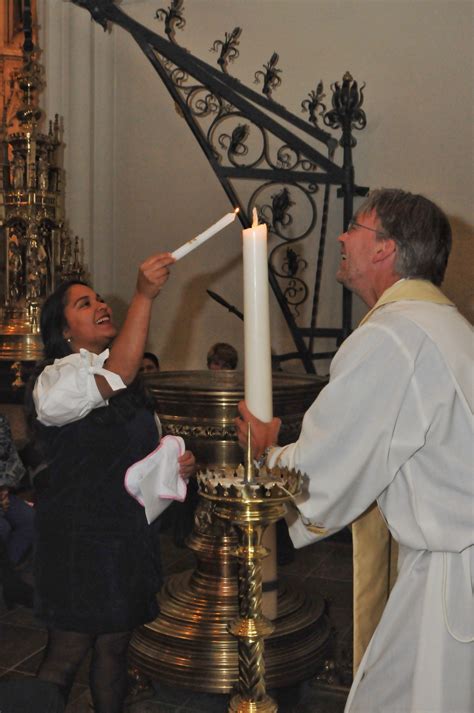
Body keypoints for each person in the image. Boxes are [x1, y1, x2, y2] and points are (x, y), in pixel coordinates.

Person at [235, 189, 473, 713]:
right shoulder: (450, 329)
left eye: (355, 229)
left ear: (386, 248)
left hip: (452, 581)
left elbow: (323, 472)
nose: (341, 237)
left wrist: (267, 452)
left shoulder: (393, 337)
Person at [27, 252, 196, 713]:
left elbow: (139, 461)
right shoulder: (55, 380)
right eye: (83, 304)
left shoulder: (132, 387)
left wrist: (174, 465)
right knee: (66, 654)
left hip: (124, 542)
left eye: (99, 298)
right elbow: (115, 374)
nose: (100, 305)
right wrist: (144, 294)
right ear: (63, 331)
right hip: (77, 545)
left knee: (114, 651)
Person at [0, 414, 35, 569]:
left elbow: (10, 458)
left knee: (29, 519)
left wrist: (4, 489)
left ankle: (7, 571)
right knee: (3, 528)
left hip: (3, 492)